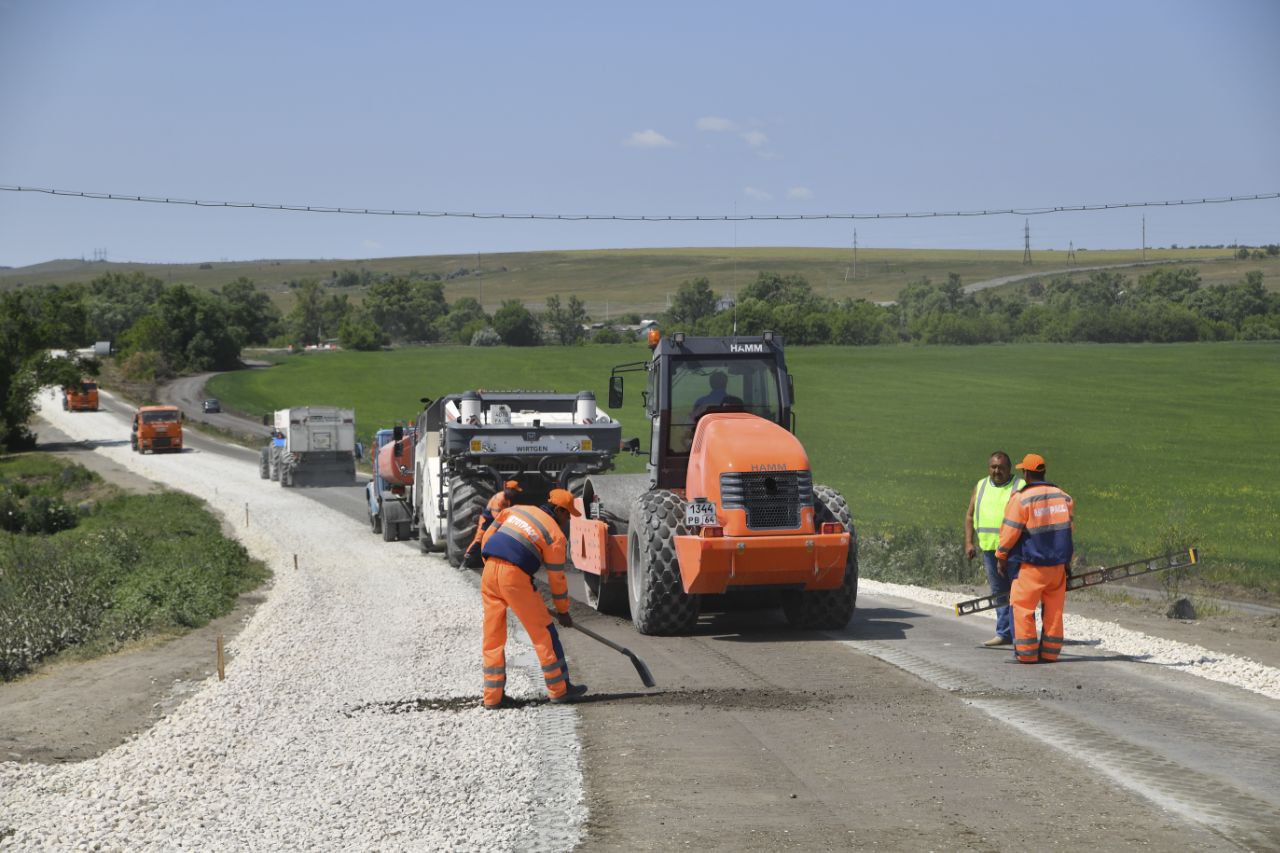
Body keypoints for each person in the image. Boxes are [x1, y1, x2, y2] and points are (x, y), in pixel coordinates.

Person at [478, 488, 588, 708]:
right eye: (567, 515)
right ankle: (560, 690)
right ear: (558, 510)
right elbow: (557, 580)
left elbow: (488, 535)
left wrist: (491, 564)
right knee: (543, 633)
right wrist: (563, 611)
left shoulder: (517, 510)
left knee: (493, 637)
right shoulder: (555, 535)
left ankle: (492, 697)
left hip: (489, 572)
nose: (567, 521)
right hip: (514, 577)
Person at [995, 453, 1074, 664]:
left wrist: (1001, 556)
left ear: (1027, 473)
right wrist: (1067, 562)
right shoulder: (1063, 497)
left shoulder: (1022, 499)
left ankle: (1026, 653)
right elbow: (1068, 531)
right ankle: (1050, 653)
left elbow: (1010, 532)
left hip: (1031, 567)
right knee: (1054, 610)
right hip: (1057, 567)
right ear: (1043, 472)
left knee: (1021, 607)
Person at [964, 452, 1022, 647]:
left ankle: (1019, 634)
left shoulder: (1019, 487)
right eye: (993, 467)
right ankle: (1004, 633)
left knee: (1017, 592)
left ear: (1009, 469)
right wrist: (969, 543)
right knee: (999, 592)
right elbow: (970, 516)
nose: (997, 471)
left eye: (1001, 467)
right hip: (989, 549)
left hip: (1015, 550)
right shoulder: (981, 486)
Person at [463, 480, 522, 567]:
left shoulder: (507, 499)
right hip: (487, 521)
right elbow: (496, 516)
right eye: (514, 491)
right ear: (509, 489)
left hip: (496, 522)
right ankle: (465, 561)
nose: (515, 493)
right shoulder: (499, 498)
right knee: (478, 540)